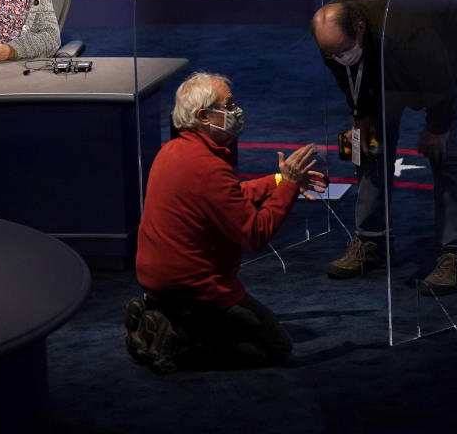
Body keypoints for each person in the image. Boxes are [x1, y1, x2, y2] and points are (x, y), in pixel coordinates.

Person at [127, 72, 326, 373]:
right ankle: (177, 342)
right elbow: (254, 234)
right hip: (197, 287)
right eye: (229, 106)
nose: (237, 112)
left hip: (161, 280)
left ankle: (165, 316)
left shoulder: (173, 152)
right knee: (275, 348)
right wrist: (288, 187)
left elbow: (227, 198)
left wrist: (278, 181)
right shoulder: (209, 167)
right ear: (204, 117)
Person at [311, 0, 457, 295]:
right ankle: (371, 240)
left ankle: (454, 254)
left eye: (343, 50)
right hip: (385, 53)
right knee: (368, 144)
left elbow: (439, 81)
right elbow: (348, 75)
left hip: (451, 50)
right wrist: (362, 115)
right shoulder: (331, 38)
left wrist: (437, 128)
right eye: (330, 53)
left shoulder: (411, 36)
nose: (336, 57)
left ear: (360, 29)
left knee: (445, 154)